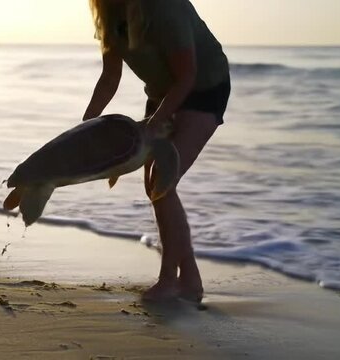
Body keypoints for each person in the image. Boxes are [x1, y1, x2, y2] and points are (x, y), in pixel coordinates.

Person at [83, 0, 230, 302]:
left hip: (203, 87)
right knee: (156, 188)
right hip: (163, 91)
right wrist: (85, 125)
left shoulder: (164, 8)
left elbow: (187, 75)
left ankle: (169, 281)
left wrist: (156, 123)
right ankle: (189, 282)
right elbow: (110, 76)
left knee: (163, 180)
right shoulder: (108, 15)